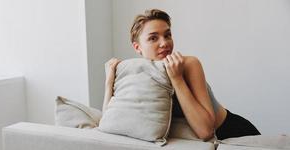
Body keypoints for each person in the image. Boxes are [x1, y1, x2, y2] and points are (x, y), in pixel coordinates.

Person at [103, 9, 261, 140]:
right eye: (153, 38)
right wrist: (109, 82)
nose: (164, 43)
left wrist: (177, 79)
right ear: (137, 47)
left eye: (167, 35)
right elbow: (109, 120)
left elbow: (205, 131)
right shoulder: (136, 74)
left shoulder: (189, 64)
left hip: (232, 132)